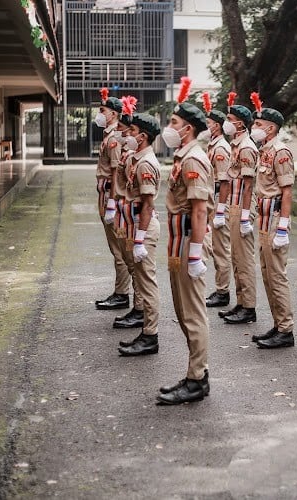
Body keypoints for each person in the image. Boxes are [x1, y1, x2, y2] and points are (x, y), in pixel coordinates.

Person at [156, 77, 214, 405]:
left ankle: (197, 378)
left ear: (188, 128)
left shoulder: (193, 159)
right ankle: (194, 372)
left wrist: (195, 252)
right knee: (182, 311)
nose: (169, 127)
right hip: (177, 241)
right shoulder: (182, 156)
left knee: (192, 313)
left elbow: (200, 208)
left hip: (187, 242)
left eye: (174, 122)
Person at [248, 93, 296, 349]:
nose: (254, 128)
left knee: (277, 276)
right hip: (264, 218)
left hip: (275, 217)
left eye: (258, 125)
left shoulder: (280, 152)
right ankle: (278, 324)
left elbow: (287, 191)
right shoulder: (264, 151)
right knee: (267, 275)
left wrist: (283, 227)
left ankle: (286, 329)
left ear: (270, 128)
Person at [116, 112, 163, 356]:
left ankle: (150, 335)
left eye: (132, 131)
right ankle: (146, 331)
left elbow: (147, 204)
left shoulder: (145, 163)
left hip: (142, 225)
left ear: (142, 136)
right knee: (143, 282)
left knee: (147, 284)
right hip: (134, 223)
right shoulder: (136, 158)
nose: (128, 135)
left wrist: (140, 238)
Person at [219, 93, 259, 325]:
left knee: (243, 259)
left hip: (242, 205)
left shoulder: (245, 148)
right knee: (235, 257)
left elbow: (248, 184)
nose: (227, 122)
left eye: (230, 118)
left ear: (241, 123)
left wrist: (245, 216)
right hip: (234, 204)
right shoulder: (236, 145)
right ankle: (241, 302)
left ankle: (249, 306)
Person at [93, 88, 132, 311]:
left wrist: (112, 201)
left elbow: (117, 170)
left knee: (118, 249)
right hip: (105, 194)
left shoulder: (115, 138)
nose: (99, 114)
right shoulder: (109, 134)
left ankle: (122, 293)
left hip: (111, 195)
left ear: (114, 114)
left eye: (102, 110)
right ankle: (121, 291)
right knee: (114, 248)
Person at [110, 96, 144, 330]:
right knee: (129, 260)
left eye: (127, 130)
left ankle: (140, 309)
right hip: (124, 211)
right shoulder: (127, 154)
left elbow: (144, 197)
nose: (123, 134)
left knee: (136, 265)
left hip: (134, 215)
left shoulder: (138, 159)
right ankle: (136, 306)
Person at [201, 92, 233, 308]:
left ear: (218, 126)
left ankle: (223, 291)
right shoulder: (213, 145)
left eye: (209, 123)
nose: (206, 126)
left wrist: (220, 210)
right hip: (212, 199)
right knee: (215, 246)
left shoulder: (221, 148)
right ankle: (220, 288)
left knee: (221, 247)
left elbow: (224, 182)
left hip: (219, 200)